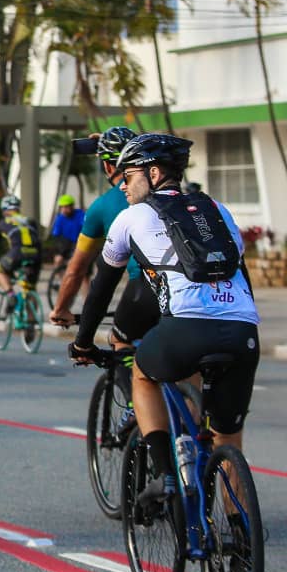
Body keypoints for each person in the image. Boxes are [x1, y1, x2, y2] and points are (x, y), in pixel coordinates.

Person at [70, 134, 260, 500]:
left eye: (130, 176)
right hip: (243, 332)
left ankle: (165, 474)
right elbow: (240, 274)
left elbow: (101, 290)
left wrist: (82, 343)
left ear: (154, 173)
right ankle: (239, 546)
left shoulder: (131, 217)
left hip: (185, 327)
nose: (123, 185)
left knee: (142, 371)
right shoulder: (217, 209)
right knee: (228, 440)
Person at [49, 127, 160, 348]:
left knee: (120, 341)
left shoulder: (102, 207)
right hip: (196, 286)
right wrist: (111, 142)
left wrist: (61, 309)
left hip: (147, 285)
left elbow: (76, 270)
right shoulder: (164, 186)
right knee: (184, 363)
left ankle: (132, 380)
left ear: (108, 166)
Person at [0, 195, 41, 299]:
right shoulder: (30, 221)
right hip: (36, 254)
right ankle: (32, 314)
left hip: (18, 253)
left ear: (4, 209)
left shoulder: (2, 223)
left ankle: (10, 295)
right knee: (30, 289)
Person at [49, 193, 85, 271]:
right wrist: (58, 252)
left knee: (77, 266)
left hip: (79, 243)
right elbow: (56, 236)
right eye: (62, 207)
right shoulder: (60, 218)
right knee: (58, 260)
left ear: (72, 206)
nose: (64, 210)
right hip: (65, 244)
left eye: (66, 207)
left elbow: (86, 229)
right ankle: (62, 280)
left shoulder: (80, 215)